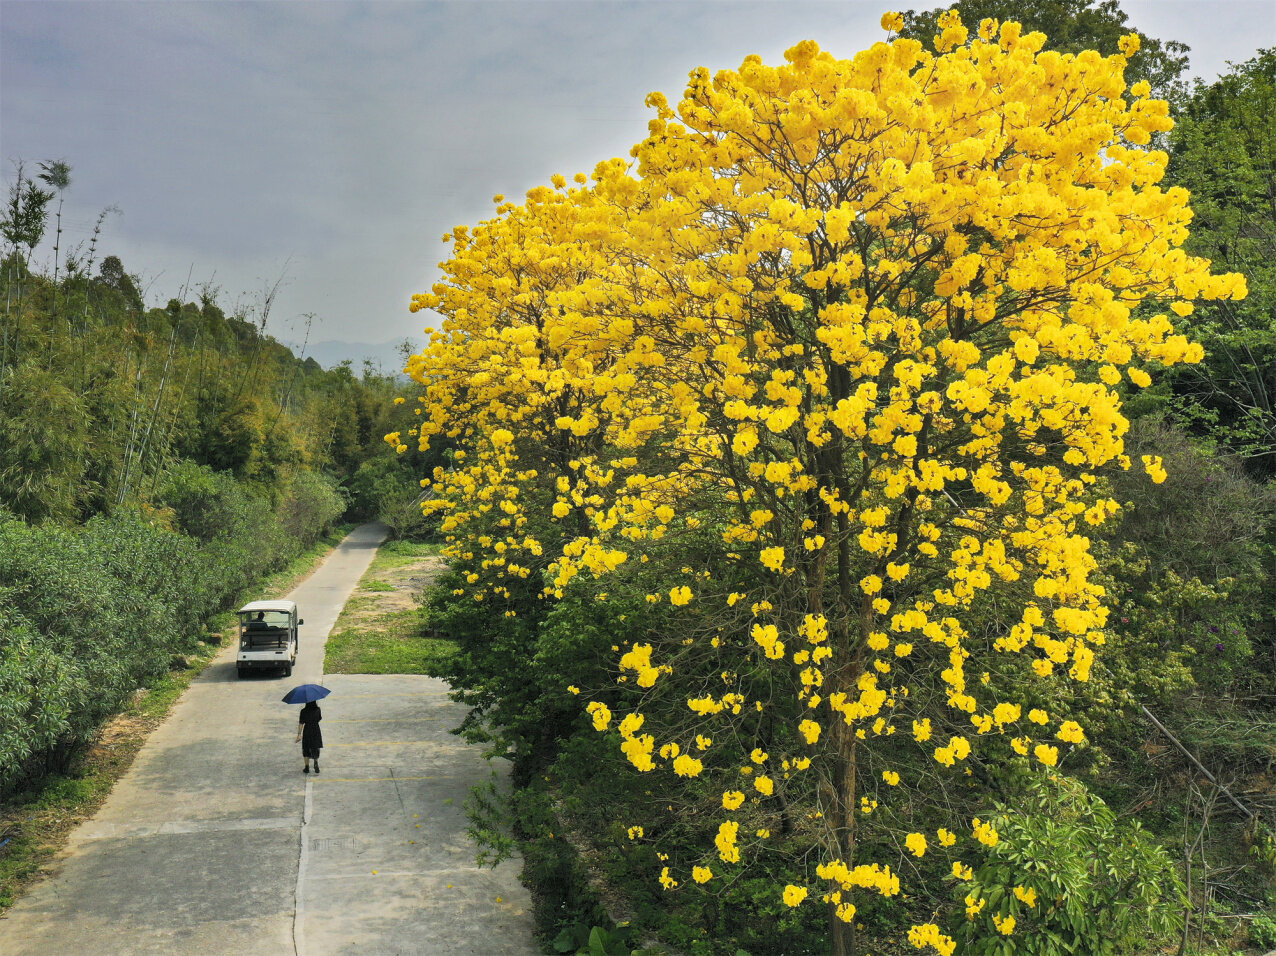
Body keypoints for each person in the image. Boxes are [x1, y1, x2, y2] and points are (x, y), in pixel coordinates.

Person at [296, 700, 323, 774]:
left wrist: (299, 734)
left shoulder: (303, 711)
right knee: (315, 746)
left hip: (307, 730)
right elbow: (319, 718)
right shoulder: (318, 710)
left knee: (306, 748)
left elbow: (301, 723)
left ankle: (306, 766)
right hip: (316, 730)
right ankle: (316, 762)